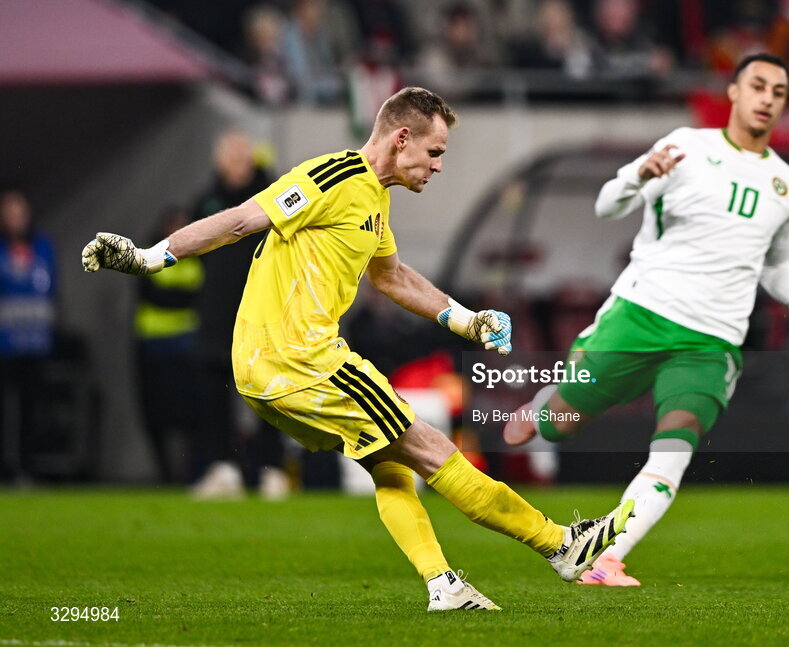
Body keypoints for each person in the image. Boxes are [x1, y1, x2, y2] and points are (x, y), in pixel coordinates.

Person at [82, 87, 633, 611]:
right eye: (434, 151)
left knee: (389, 465)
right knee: (432, 447)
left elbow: (391, 277)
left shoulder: (374, 199)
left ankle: (443, 585)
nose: (438, 165)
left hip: (271, 369)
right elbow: (243, 219)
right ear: (401, 138)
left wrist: (467, 320)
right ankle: (559, 545)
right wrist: (150, 257)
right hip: (301, 358)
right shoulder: (334, 176)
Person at [503, 54, 789, 586]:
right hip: (642, 312)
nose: (767, 98)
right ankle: (546, 404)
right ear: (733, 91)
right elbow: (606, 206)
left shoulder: (788, 185)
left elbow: (776, 268)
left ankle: (607, 557)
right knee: (557, 425)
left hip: (713, 341)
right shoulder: (686, 145)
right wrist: (639, 173)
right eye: (757, 85)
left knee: (676, 440)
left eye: (778, 91)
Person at [189, 128, 289, 500]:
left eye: (242, 155)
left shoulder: (274, 197)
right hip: (216, 315)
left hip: (262, 312)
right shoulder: (207, 201)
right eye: (231, 156)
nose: (237, 163)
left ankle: (273, 471)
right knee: (212, 394)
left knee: (268, 395)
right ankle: (223, 470)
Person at [134, 206, 204, 484]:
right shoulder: (149, 258)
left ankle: (188, 473)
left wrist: (174, 297)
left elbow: (188, 298)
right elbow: (156, 296)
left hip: (186, 347)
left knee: (189, 415)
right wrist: (181, 296)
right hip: (153, 348)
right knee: (156, 415)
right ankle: (165, 473)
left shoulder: (197, 260)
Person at [0, 189, 57, 480]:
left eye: (19, 211)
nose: (15, 218)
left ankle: (28, 469)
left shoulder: (44, 247)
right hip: (3, 345)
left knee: (31, 410)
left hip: (35, 344)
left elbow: (52, 293)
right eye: (9, 212)